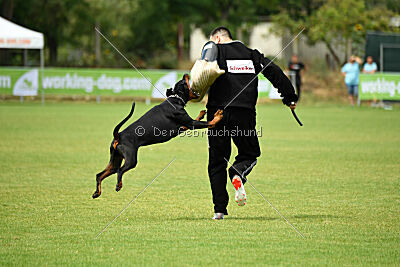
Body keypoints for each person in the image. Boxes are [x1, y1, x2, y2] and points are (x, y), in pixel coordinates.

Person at [203, 26, 298, 220]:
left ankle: (219, 211)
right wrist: (289, 96)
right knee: (250, 153)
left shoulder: (214, 51)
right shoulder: (251, 54)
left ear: (218, 39)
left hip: (216, 114)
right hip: (243, 112)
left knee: (217, 161)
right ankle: (238, 172)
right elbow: (274, 71)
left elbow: (198, 76)